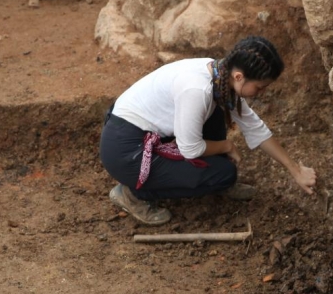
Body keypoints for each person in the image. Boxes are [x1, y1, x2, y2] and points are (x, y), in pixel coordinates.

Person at [100, 35, 317, 225]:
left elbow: (255, 128)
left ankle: (213, 178)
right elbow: (190, 149)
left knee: (214, 112)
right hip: (126, 151)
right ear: (239, 76)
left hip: (142, 134)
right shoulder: (197, 90)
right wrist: (226, 145)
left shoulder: (219, 75)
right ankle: (133, 192)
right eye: (259, 87)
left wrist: (295, 169)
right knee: (225, 173)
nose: (260, 93)